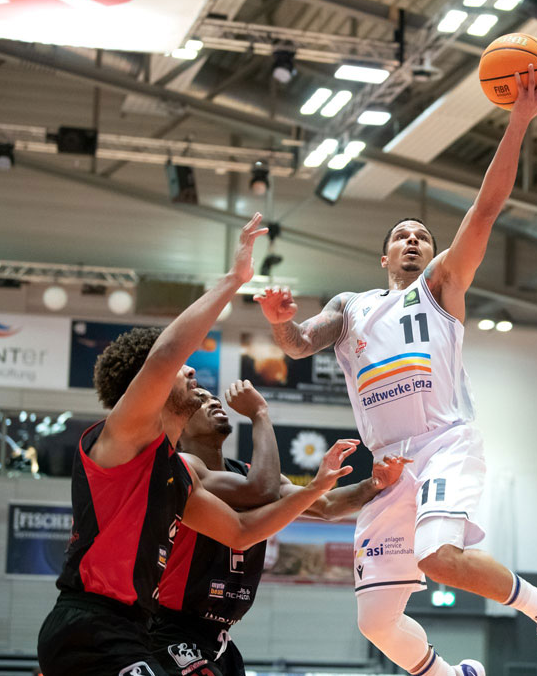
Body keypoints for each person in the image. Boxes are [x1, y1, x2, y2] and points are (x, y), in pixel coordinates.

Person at [255, 64, 537, 676]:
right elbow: (300, 344)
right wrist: (279, 321)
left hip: (444, 443)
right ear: (382, 255)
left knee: (438, 558)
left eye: (422, 236)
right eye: (401, 236)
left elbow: (486, 211)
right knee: (376, 622)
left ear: (432, 254)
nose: (412, 241)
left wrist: (518, 121)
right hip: (389, 466)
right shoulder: (351, 307)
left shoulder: (440, 288)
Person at [37, 214, 357, 676]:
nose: (191, 372)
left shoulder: (177, 472)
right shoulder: (121, 436)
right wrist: (234, 280)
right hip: (88, 622)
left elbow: (243, 533)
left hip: (129, 628)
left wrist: (313, 489)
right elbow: (167, 355)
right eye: (182, 371)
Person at [151, 382, 409, 676]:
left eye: (214, 397)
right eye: (200, 400)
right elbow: (261, 489)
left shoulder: (247, 473)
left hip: (219, 637)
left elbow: (326, 506)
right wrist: (260, 413)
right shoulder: (185, 467)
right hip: (172, 629)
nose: (213, 401)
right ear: (179, 424)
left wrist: (375, 483)